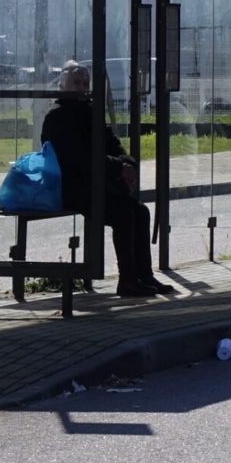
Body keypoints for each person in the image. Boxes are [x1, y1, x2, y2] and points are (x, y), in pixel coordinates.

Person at [40, 62, 175, 297]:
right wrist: (118, 167)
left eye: (85, 83)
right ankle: (128, 280)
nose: (82, 88)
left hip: (94, 183)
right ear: (63, 86)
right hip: (71, 185)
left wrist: (128, 162)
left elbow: (111, 141)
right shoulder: (57, 117)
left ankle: (144, 275)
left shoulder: (90, 111)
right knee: (123, 215)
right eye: (77, 83)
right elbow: (79, 158)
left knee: (140, 212)